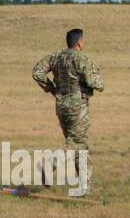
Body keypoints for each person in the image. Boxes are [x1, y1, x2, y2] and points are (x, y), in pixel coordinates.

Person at [32, 28, 102, 192]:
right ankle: (50, 164)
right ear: (79, 42)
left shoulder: (56, 57)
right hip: (78, 107)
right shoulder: (82, 60)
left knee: (79, 146)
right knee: (76, 143)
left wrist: (52, 88)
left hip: (61, 106)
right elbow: (95, 83)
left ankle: (84, 187)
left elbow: (37, 72)